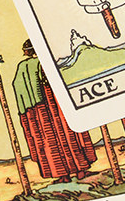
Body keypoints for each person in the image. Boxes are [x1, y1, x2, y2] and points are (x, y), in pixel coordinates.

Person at [11, 41, 96, 183]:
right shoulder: (43, 62)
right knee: (67, 134)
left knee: (50, 139)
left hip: (38, 111)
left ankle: (63, 175)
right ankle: (79, 171)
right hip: (53, 104)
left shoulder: (23, 67)